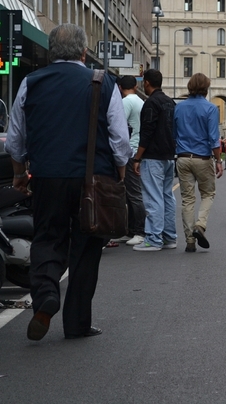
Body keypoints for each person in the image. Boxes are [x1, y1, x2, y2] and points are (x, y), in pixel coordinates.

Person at [4, 23, 131, 340]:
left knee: (48, 236)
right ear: (84, 52)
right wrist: (121, 170)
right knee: (88, 247)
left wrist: (20, 174)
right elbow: (119, 138)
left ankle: (46, 293)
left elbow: (15, 139)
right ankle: (76, 324)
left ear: (50, 52)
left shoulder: (30, 83)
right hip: (94, 178)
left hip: (48, 176)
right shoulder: (103, 81)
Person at [173, 73, 223, 253]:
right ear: (206, 88)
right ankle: (200, 225)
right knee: (208, 193)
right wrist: (218, 160)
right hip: (202, 158)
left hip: (183, 157)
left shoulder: (179, 108)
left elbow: (174, 134)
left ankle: (189, 242)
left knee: (187, 199)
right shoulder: (210, 109)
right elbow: (214, 139)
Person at [131, 69, 178, 251]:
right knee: (167, 196)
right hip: (168, 156)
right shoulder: (170, 102)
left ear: (147, 82)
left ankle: (153, 238)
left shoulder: (151, 103)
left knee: (153, 197)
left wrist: (137, 157)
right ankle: (169, 237)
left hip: (153, 156)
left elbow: (147, 132)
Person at [116, 75, 146, 247]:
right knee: (131, 193)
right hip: (136, 149)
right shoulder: (139, 101)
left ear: (120, 87)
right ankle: (132, 230)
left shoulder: (126, 102)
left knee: (133, 193)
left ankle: (140, 231)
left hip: (130, 150)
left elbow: (119, 126)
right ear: (135, 86)